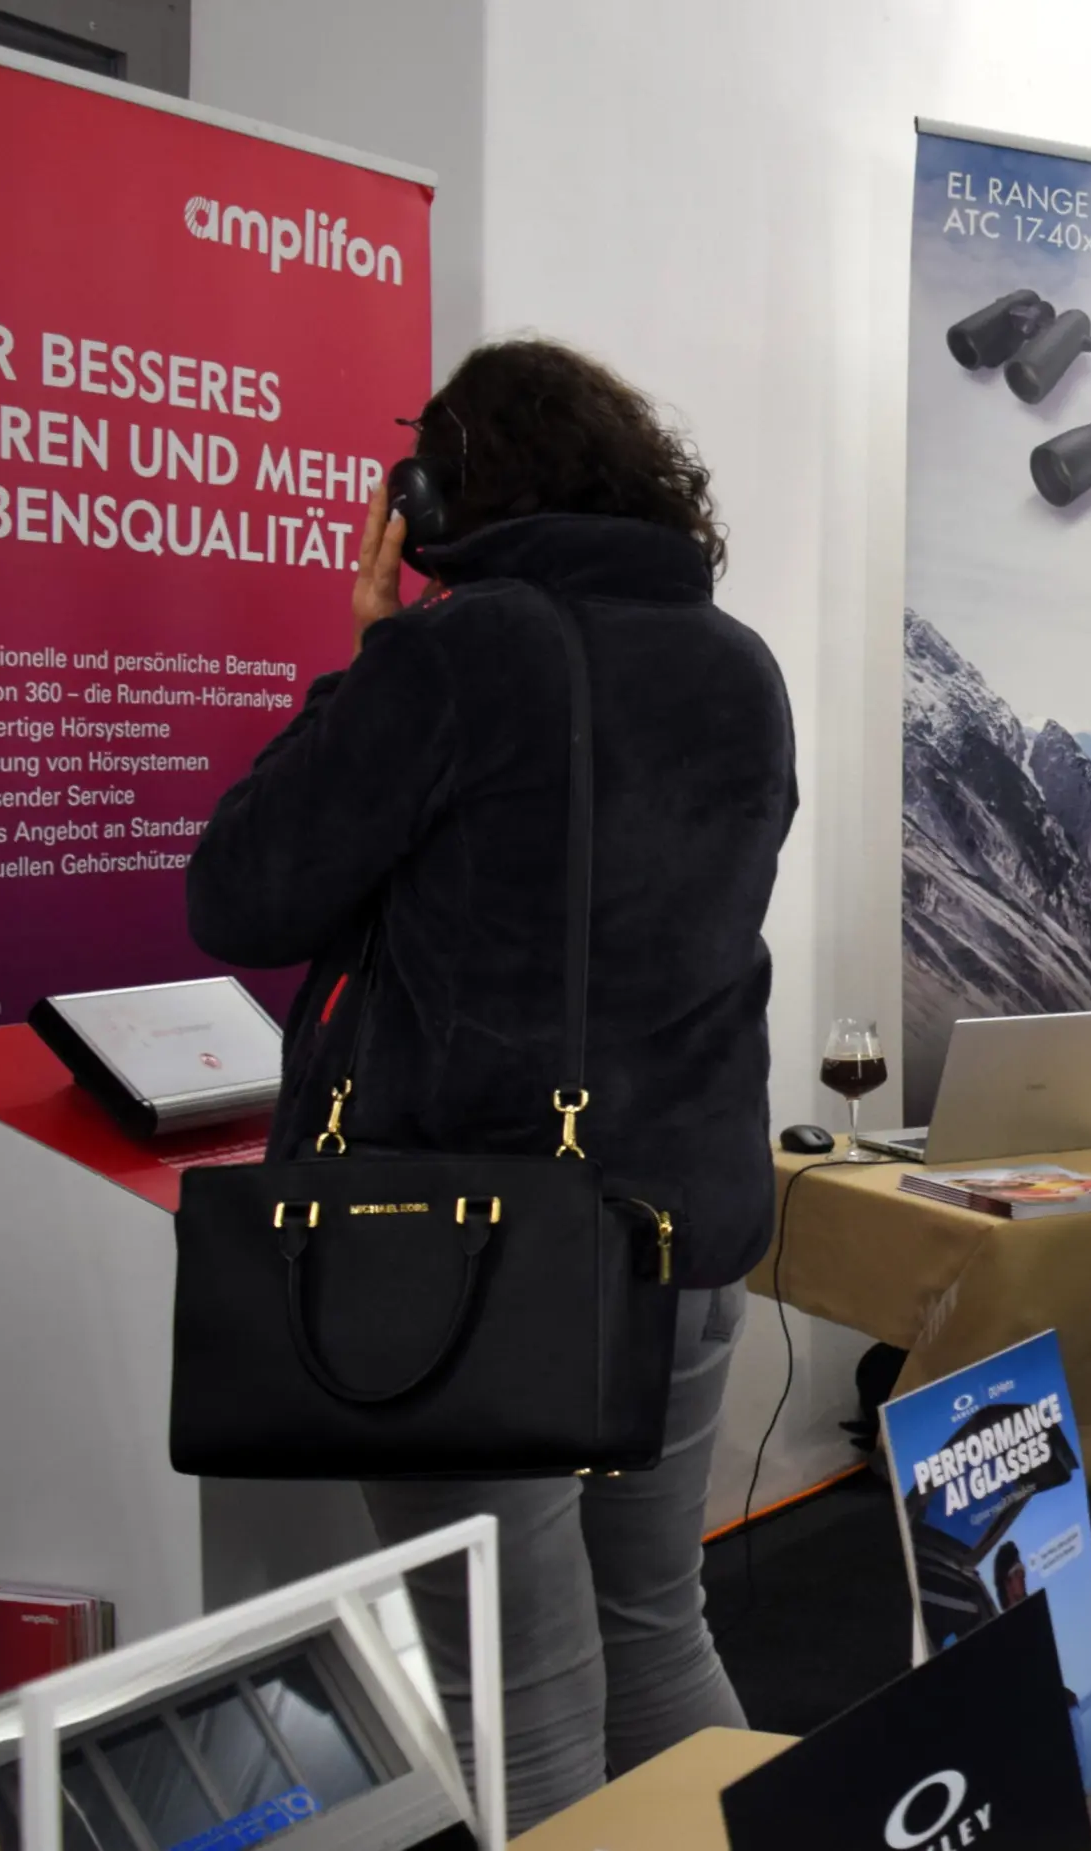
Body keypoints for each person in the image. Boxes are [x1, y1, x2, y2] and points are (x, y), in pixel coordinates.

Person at [189, 338, 797, 1832]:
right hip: (687, 1232)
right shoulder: (737, 659)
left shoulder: (465, 653)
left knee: (510, 1681)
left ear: (438, 493)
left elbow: (245, 894)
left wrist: (373, 644)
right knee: (659, 1629)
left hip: (479, 1243)